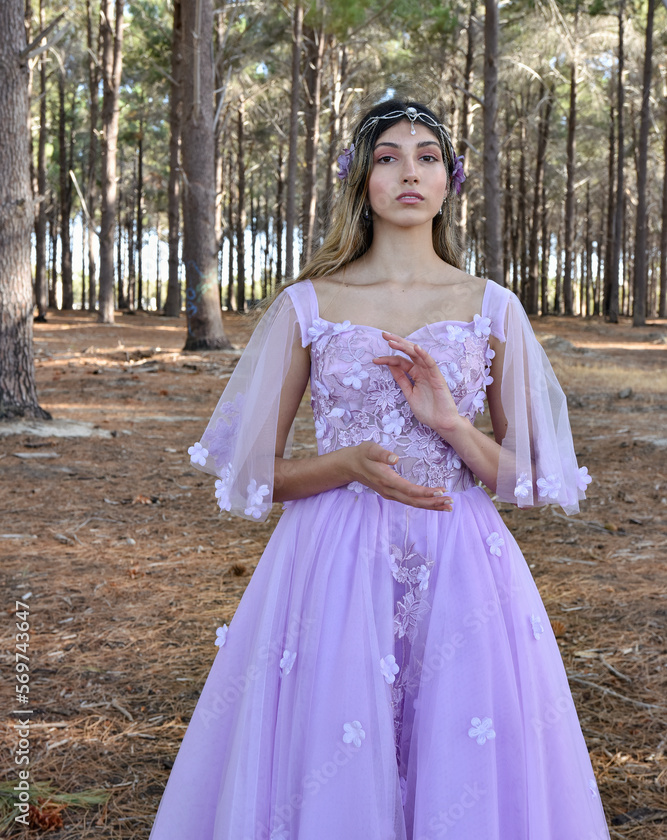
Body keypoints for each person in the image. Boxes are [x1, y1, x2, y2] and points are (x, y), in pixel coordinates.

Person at [148, 91, 610, 840]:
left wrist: (452, 425)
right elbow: (249, 476)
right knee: (336, 736)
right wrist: (346, 466)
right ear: (361, 179)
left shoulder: (491, 307)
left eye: (426, 159)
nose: (408, 173)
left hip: (460, 558)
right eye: (387, 158)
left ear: (448, 181)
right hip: (331, 562)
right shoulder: (308, 305)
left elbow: (526, 480)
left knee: (456, 739)